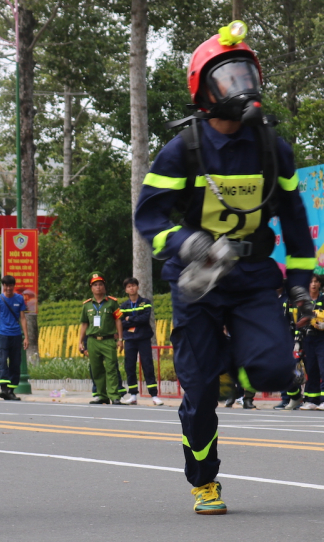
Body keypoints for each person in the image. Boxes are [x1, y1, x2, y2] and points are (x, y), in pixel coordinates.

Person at [134, 21, 314, 514]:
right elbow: (148, 218)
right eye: (228, 78)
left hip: (253, 278)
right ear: (204, 93)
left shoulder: (272, 148)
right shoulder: (182, 150)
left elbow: (296, 225)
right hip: (197, 284)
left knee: (277, 369)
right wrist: (186, 241)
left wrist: (301, 287)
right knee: (199, 394)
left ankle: (229, 371)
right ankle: (204, 481)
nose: (241, 87)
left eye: (246, 75)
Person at [78, 272, 124, 405]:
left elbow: (118, 321)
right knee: (96, 369)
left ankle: (114, 396)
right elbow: (84, 324)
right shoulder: (87, 305)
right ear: (91, 288)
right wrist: (80, 342)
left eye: (100, 284)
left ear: (104, 287)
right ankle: (102, 395)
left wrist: (120, 339)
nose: (98, 287)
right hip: (92, 340)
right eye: (95, 285)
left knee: (111, 368)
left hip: (108, 340)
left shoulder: (112, 303)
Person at [119, 278, 163, 406]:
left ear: (138, 287)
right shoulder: (123, 306)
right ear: (126, 290)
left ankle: (154, 395)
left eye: (133, 286)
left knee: (148, 365)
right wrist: (132, 320)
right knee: (129, 366)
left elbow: (145, 319)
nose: (131, 288)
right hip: (129, 339)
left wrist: (130, 319)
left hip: (143, 338)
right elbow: (121, 322)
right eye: (129, 287)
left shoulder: (145, 302)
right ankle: (133, 395)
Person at [0, 275, 30, 400]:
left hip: (16, 335)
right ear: (3, 286)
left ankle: (11, 391)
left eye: (10, 286)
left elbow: (23, 318)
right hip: (2, 335)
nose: (8, 288)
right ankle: (4, 389)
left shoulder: (19, 299)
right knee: (2, 361)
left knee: (15, 363)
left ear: (14, 286)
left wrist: (26, 337)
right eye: (6, 286)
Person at [298, 274, 324, 410]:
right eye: (311, 282)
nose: (313, 284)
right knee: (311, 368)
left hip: (322, 338)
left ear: (320, 284)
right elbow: (297, 320)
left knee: (323, 368)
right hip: (308, 338)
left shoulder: (323, 299)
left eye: (316, 282)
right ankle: (312, 400)